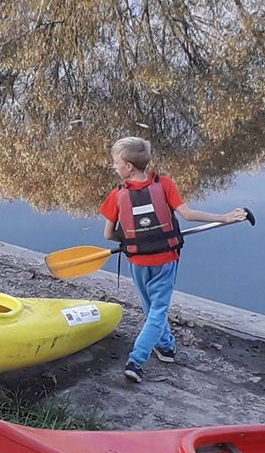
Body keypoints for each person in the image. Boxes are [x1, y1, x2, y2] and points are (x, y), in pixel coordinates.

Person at [100, 136, 246, 384]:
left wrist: (130, 243)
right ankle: (148, 354)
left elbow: (108, 234)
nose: (113, 166)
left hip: (137, 262)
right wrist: (224, 217)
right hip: (165, 259)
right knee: (157, 311)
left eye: (115, 162)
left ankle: (151, 353)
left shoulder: (116, 195)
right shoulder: (165, 184)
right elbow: (188, 214)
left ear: (128, 167)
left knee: (151, 308)